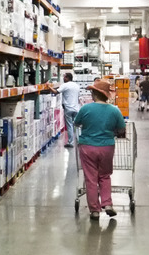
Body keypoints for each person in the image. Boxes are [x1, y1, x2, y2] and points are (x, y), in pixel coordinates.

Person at [74, 79, 126, 220]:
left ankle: (95, 210)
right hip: (107, 147)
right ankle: (107, 204)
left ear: (94, 94)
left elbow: (76, 123)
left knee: (91, 178)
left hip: (87, 147)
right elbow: (122, 129)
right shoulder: (114, 110)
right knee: (104, 176)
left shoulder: (85, 108)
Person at [49, 72, 81, 148]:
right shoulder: (76, 86)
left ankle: (71, 142)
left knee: (69, 125)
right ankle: (79, 141)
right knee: (76, 125)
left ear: (67, 78)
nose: (63, 78)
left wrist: (49, 86)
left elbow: (55, 92)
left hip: (68, 108)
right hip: (76, 108)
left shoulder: (65, 85)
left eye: (64, 77)